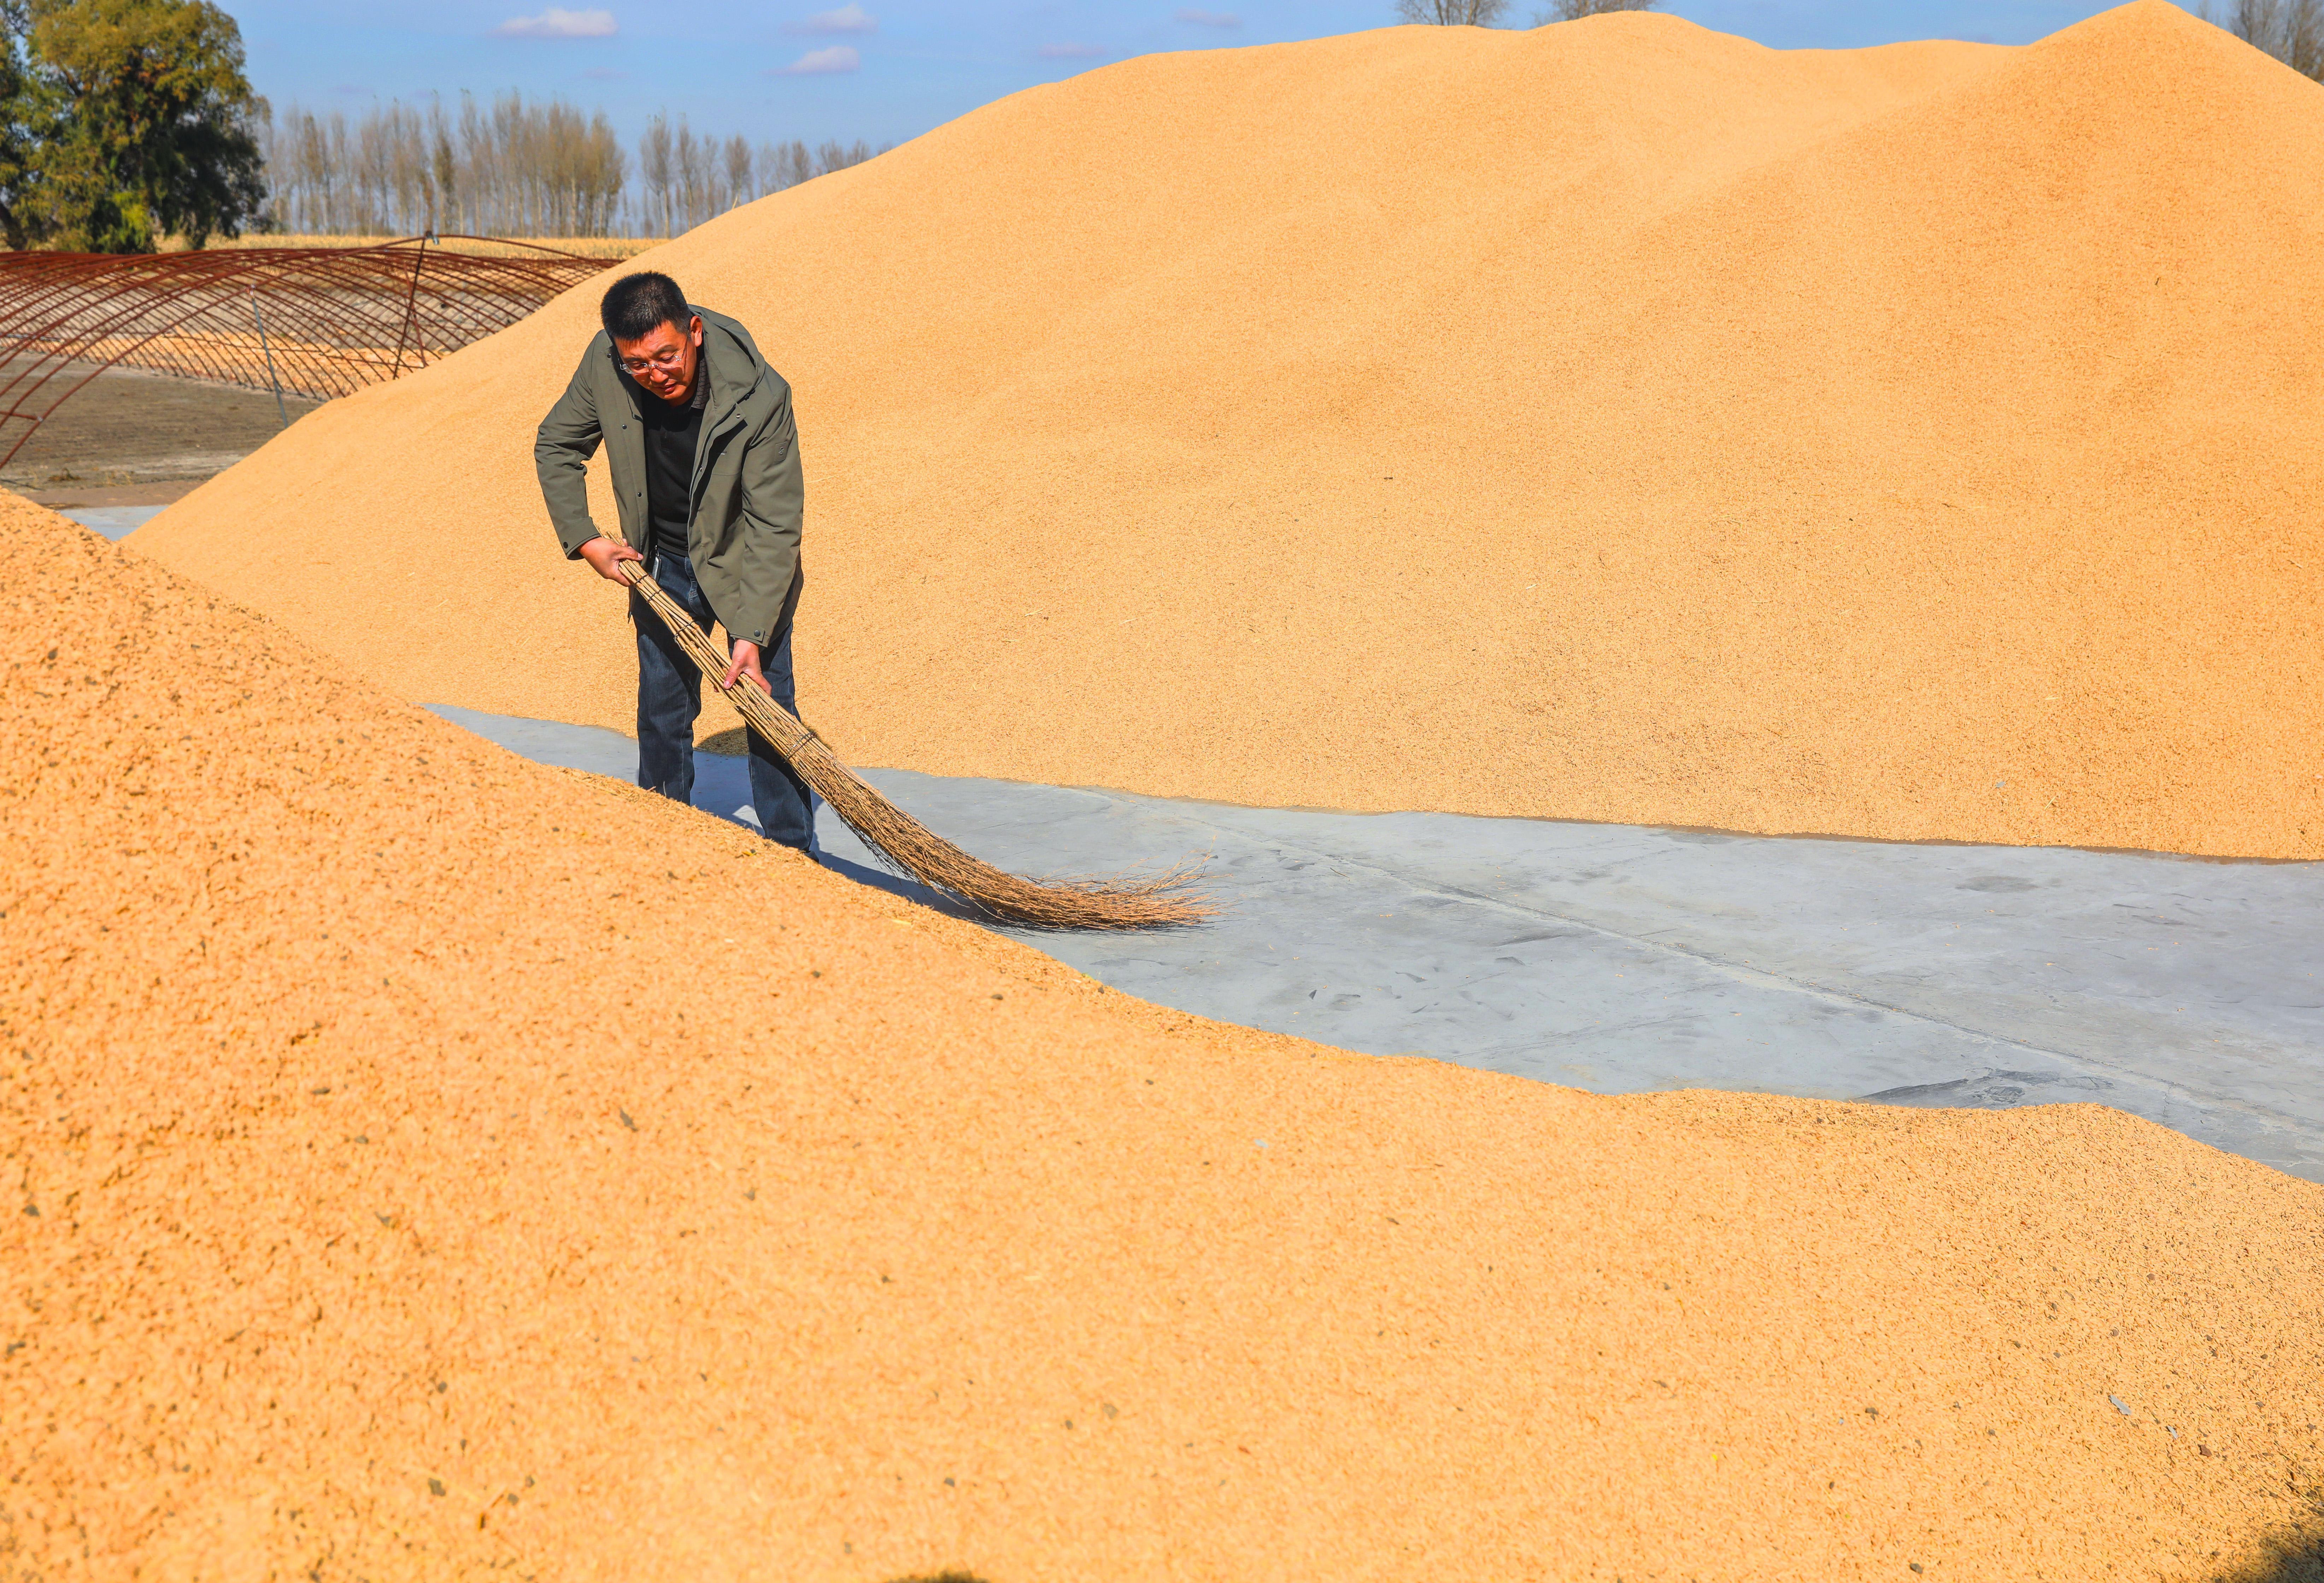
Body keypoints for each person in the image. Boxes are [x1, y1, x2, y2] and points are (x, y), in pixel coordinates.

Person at [535, 271, 814, 850]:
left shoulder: (761, 396)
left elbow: (774, 525)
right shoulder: (606, 364)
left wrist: (752, 635)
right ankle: (661, 843)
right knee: (663, 713)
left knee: (769, 717)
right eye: (637, 364)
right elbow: (557, 443)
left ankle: (796, 857)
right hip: (662, 564)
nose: (655, 374)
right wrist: (587, 541)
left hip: (746, 569)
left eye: (666, 356)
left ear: (694, 332)